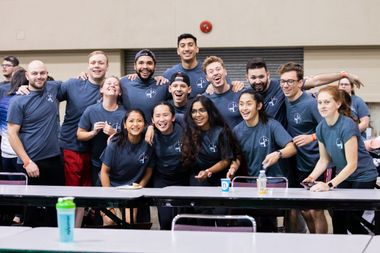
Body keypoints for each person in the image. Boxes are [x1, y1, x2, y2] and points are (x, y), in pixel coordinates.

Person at [303, 86, 378, 234]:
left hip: (362, 176)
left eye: (327, 102)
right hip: (344, 176)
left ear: (337, 104)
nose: (322, 106)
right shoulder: (321, 128)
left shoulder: (347, 125)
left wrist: (329, 184)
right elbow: (324, 160)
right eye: (320, 102)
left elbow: (352, 164)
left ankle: (370, 245)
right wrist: (311, 177)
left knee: (349, 218)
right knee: (337, 217)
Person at [7, 60, 64, 226]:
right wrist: (27, 162)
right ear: (27, 76)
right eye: (34, 73)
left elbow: (80, 83)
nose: (39, 77)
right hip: (31, 163)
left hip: (54, 160)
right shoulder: (18, 101)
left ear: (47, 74)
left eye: (42, 73)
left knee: (56, 208)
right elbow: (12, 134)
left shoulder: (53, 88)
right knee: (32, 211)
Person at [278, 62, 328, 234]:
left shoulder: (310, 103)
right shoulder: (284, 99)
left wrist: (312, 137)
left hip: (318, 162)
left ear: (300, 83)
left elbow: (328, 128)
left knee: (316, 210)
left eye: (290, 81)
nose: (286, 85)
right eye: (283, 81)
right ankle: (311, 242)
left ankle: (322, 246)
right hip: (300, 163)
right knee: (305, 209)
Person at [246, 57, 364, 127]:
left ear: (268, 75)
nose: (258, 81)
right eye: (253, 78)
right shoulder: (246, 95)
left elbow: (315, 81)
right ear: (247, 78)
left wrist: (344, 75)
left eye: (261, 76)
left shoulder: (282, 85)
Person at [100, 109, 152, 224]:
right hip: (112, 188)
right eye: (131, 121)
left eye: (139, 121)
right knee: (109, 221)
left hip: (132, 191)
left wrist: (139, 187)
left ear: (144, 124)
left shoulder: (148, 143)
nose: (135, 124)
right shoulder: (114, 143)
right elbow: (104, 172)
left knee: (129, 221)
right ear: (125, 124)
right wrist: (108, 199)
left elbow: (149, 171)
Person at [230, 90, 296, 178]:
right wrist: (233, 167)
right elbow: (238, 156)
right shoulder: (237, 130)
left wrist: (278, 154)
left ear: (259, 106)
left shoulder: (272, 125)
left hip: (275, 182)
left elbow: (292, 148)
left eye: (249, 104)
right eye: (241, 104)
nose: (244, 108)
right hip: (252, 182)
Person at [77, 76, 125, 185]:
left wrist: (115, 134)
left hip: (118, 164)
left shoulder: (125, 113)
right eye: (108, 83)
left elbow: (130, 141)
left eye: (116, 84)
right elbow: (79, 135)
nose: (112, 85)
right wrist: (93, 132)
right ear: (101, 89)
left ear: (120, 92)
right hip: (97, 164)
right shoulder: (91, 110)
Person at [182, 96, 238, 187]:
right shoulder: (190, 130)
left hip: (218, 180)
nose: (197, 115)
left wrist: (208, 171)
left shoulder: (221, 132)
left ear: (210, 112)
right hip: (197, 179)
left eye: (202, 110)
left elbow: (226, 160)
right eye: (194, 111)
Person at [150, 102, 188, 230]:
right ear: (153, 120)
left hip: (183, 179)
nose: (161, 119)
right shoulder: (150, 134)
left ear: (173, 117)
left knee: (184, 221)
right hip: (162, 179)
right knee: (166, 220)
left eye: (165, 115)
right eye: (158, 116)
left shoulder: (183, 128)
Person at [120, 49, 169, 123]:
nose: (145, 66)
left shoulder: (163, 85)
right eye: (141, 63)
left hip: (155, 133)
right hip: (130, 132)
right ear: (135, 66)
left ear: (155, 66)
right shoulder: (123, 83)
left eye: (149, 63)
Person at [203, 56, 244, 129]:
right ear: (207, 78)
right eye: (211, 71)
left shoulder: (240, 93)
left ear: (225, 72)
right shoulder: (205, 100)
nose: (215, 73)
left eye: (218, 69)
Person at [163, 33, 208, 98]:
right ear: (178, 51)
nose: (186, 49)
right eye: (182, 46)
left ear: (197, 49)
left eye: (190, 45)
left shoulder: (207, 71)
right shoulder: (168, 74)